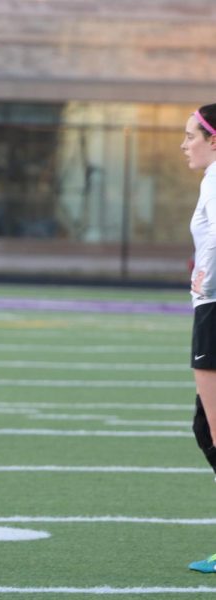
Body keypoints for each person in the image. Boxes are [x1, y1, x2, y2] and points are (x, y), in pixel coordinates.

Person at [182, 104, 216, 572]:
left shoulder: (214, 180)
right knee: (203, 427)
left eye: (192, 135)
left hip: (213, 309)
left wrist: (205, 276)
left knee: (213, 430)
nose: (184, 143)